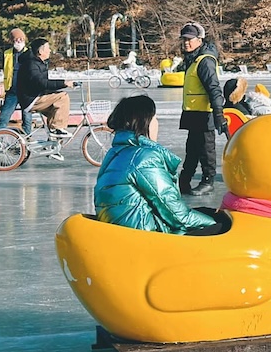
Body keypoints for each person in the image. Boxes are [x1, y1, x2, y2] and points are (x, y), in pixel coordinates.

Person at [93, 94, 226, 235]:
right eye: (155, 118)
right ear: (145, 121)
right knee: (221, 226)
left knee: (208, 212)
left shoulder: (115, 153)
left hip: (126, 230)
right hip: (146, 237)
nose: (157, 123)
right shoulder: (143, 158)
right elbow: (177, 215)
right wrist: (217, 225)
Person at [177, 22, 226, 196]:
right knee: (192, 149)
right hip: (194, 114)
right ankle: (184, 180)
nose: (186, 43)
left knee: (206, 149)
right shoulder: (193, 59)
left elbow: (214, 89)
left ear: (200, 40)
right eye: (184, 39)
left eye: (190, 39)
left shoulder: (204, 61)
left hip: (205, 114)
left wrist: (219, 114)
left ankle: (208, 181)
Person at [15, 38, 76, 135]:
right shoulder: (31, 64)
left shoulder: (38, 62)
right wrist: (64, 83)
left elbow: (43, 84)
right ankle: (57, 128)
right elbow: (41, 83)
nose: (50, 50)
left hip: (35, 96)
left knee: (57, 109)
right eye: (48, 48)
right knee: (63, 97)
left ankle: (52, 141)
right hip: (31, 99)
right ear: (40, 51)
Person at [0, 29, 32, 134]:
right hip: (12, 91)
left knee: (27, 118)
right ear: (12, 40)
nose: (19, 41)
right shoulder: (7, 54)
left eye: (21, 39)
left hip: (26, 91)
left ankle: (26, 139)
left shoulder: (29, 53)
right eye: (17, 39)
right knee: (4, 116)